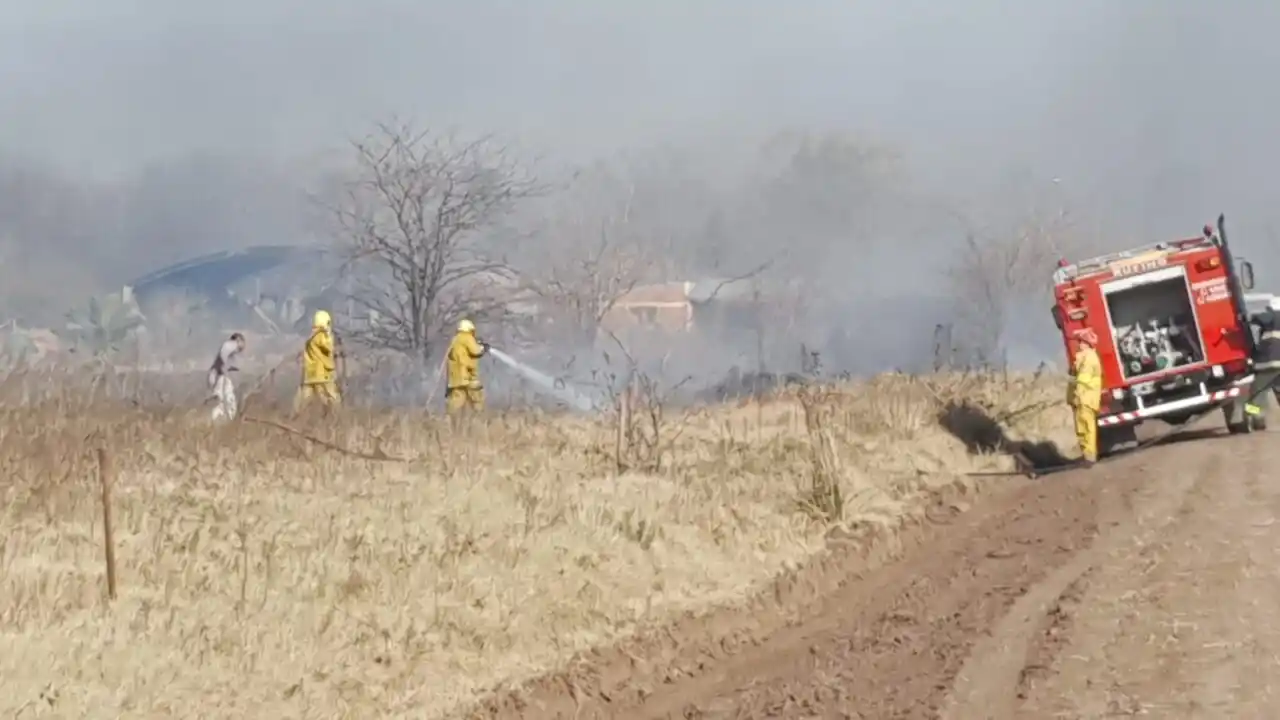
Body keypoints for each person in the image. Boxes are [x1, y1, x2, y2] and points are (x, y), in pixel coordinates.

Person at [1067, 327, 1103, 465]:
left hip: (1086, 398)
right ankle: (1087, 454)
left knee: (1087, 428)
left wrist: (1073, 381)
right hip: (1080, 399)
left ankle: (1090, 455)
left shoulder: (1089, 358)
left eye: (1081, 341)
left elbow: (1082, 379)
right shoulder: (1081, 358)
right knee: (1081, 429)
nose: (1079, 344)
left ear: (1087, 343)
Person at [294, 310, 341, 411]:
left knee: (304, 399)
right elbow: (328, 347)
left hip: (310, 374)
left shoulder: (311, 337)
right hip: (322, 373)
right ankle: (339, 416)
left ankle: (296, 416)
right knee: (332, 397)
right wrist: (329, 335)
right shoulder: (321, 336)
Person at [1245, 296, 1280, 416]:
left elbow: (1261, 318)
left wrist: (1248, 316)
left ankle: (1256, 417)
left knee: (1257, 391)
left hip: (1271, 363)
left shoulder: (1275, 316)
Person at [446, 318, 489, 414]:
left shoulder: (456, 339)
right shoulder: (466, 337)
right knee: (477, 399)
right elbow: (476, 351)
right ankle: (480, 418)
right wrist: (483, 348)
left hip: (456, 378)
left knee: (456, 401)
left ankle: (449, 419)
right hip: (468, 376)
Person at [208, 332, 246, 421]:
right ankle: (227, 422)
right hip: (222, 377)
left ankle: (215, 421)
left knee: (221, 402)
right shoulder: (232, 344)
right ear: (239, 340)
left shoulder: (230, 350)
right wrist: (224, 367)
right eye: (243, 342)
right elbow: (224, 352)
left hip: (217, 377)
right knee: (229, 401)